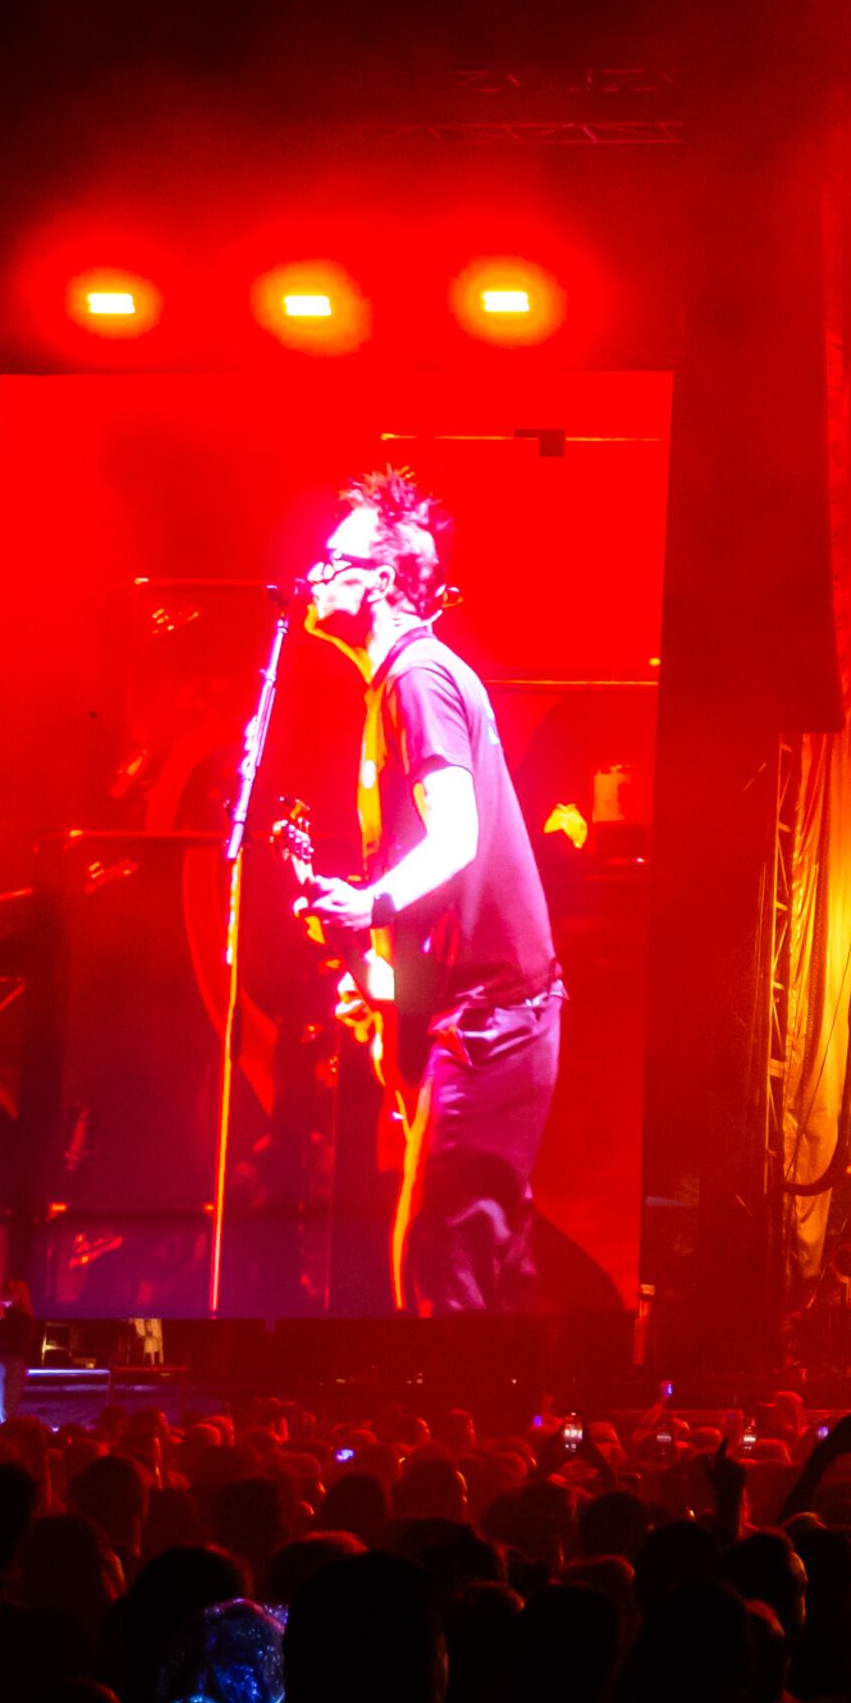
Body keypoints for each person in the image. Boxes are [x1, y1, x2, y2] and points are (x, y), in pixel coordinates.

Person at [295, 466, 563, 1315]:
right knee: (477, 1270)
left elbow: (457, 838)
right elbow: (436, 903)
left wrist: (368, 904)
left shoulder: (416, 679)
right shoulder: (394, 688)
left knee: (439, 1272)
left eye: (332, 560)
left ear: (378, 579)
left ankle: (449, 1443)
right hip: (474, 1018)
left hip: (491, 1025)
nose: (312, 575)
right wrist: (369, 970)